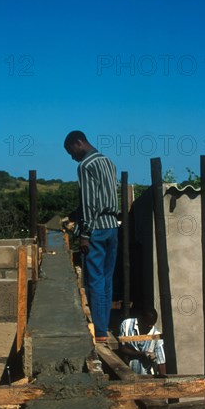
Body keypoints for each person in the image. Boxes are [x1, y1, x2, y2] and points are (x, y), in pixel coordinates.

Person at [64, 130, 119, 343]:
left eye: (71, 151)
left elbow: (89, 203)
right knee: (106, 279)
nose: (72, 157)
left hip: (95, 229)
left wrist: (84, 234)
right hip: (112, 226)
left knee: (94, 280)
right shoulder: (108, 162)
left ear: (79, 143)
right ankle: (104, 326)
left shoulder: (85, 165)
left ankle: (100, 331)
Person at [119, 306, 166, 375]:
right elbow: (122, 347)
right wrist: (141, 354)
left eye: (152, 324)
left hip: (147, 375)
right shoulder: (126, 324)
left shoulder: (156, 335)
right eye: (148, 323)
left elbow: (161, 362)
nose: (150, 326)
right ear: (141, 319)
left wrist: (163, 381)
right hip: (127, 371)